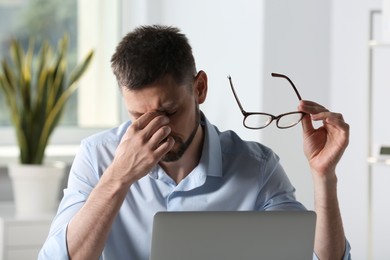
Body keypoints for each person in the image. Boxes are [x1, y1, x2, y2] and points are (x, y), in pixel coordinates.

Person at [39, 25, 351, 260]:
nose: (156, 130)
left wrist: (325, 177)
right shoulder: (97, 155)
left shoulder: (256, 167)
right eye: (138, 116)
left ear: (199, 88)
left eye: (169, 111)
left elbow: (318, 257)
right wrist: (118, 177)